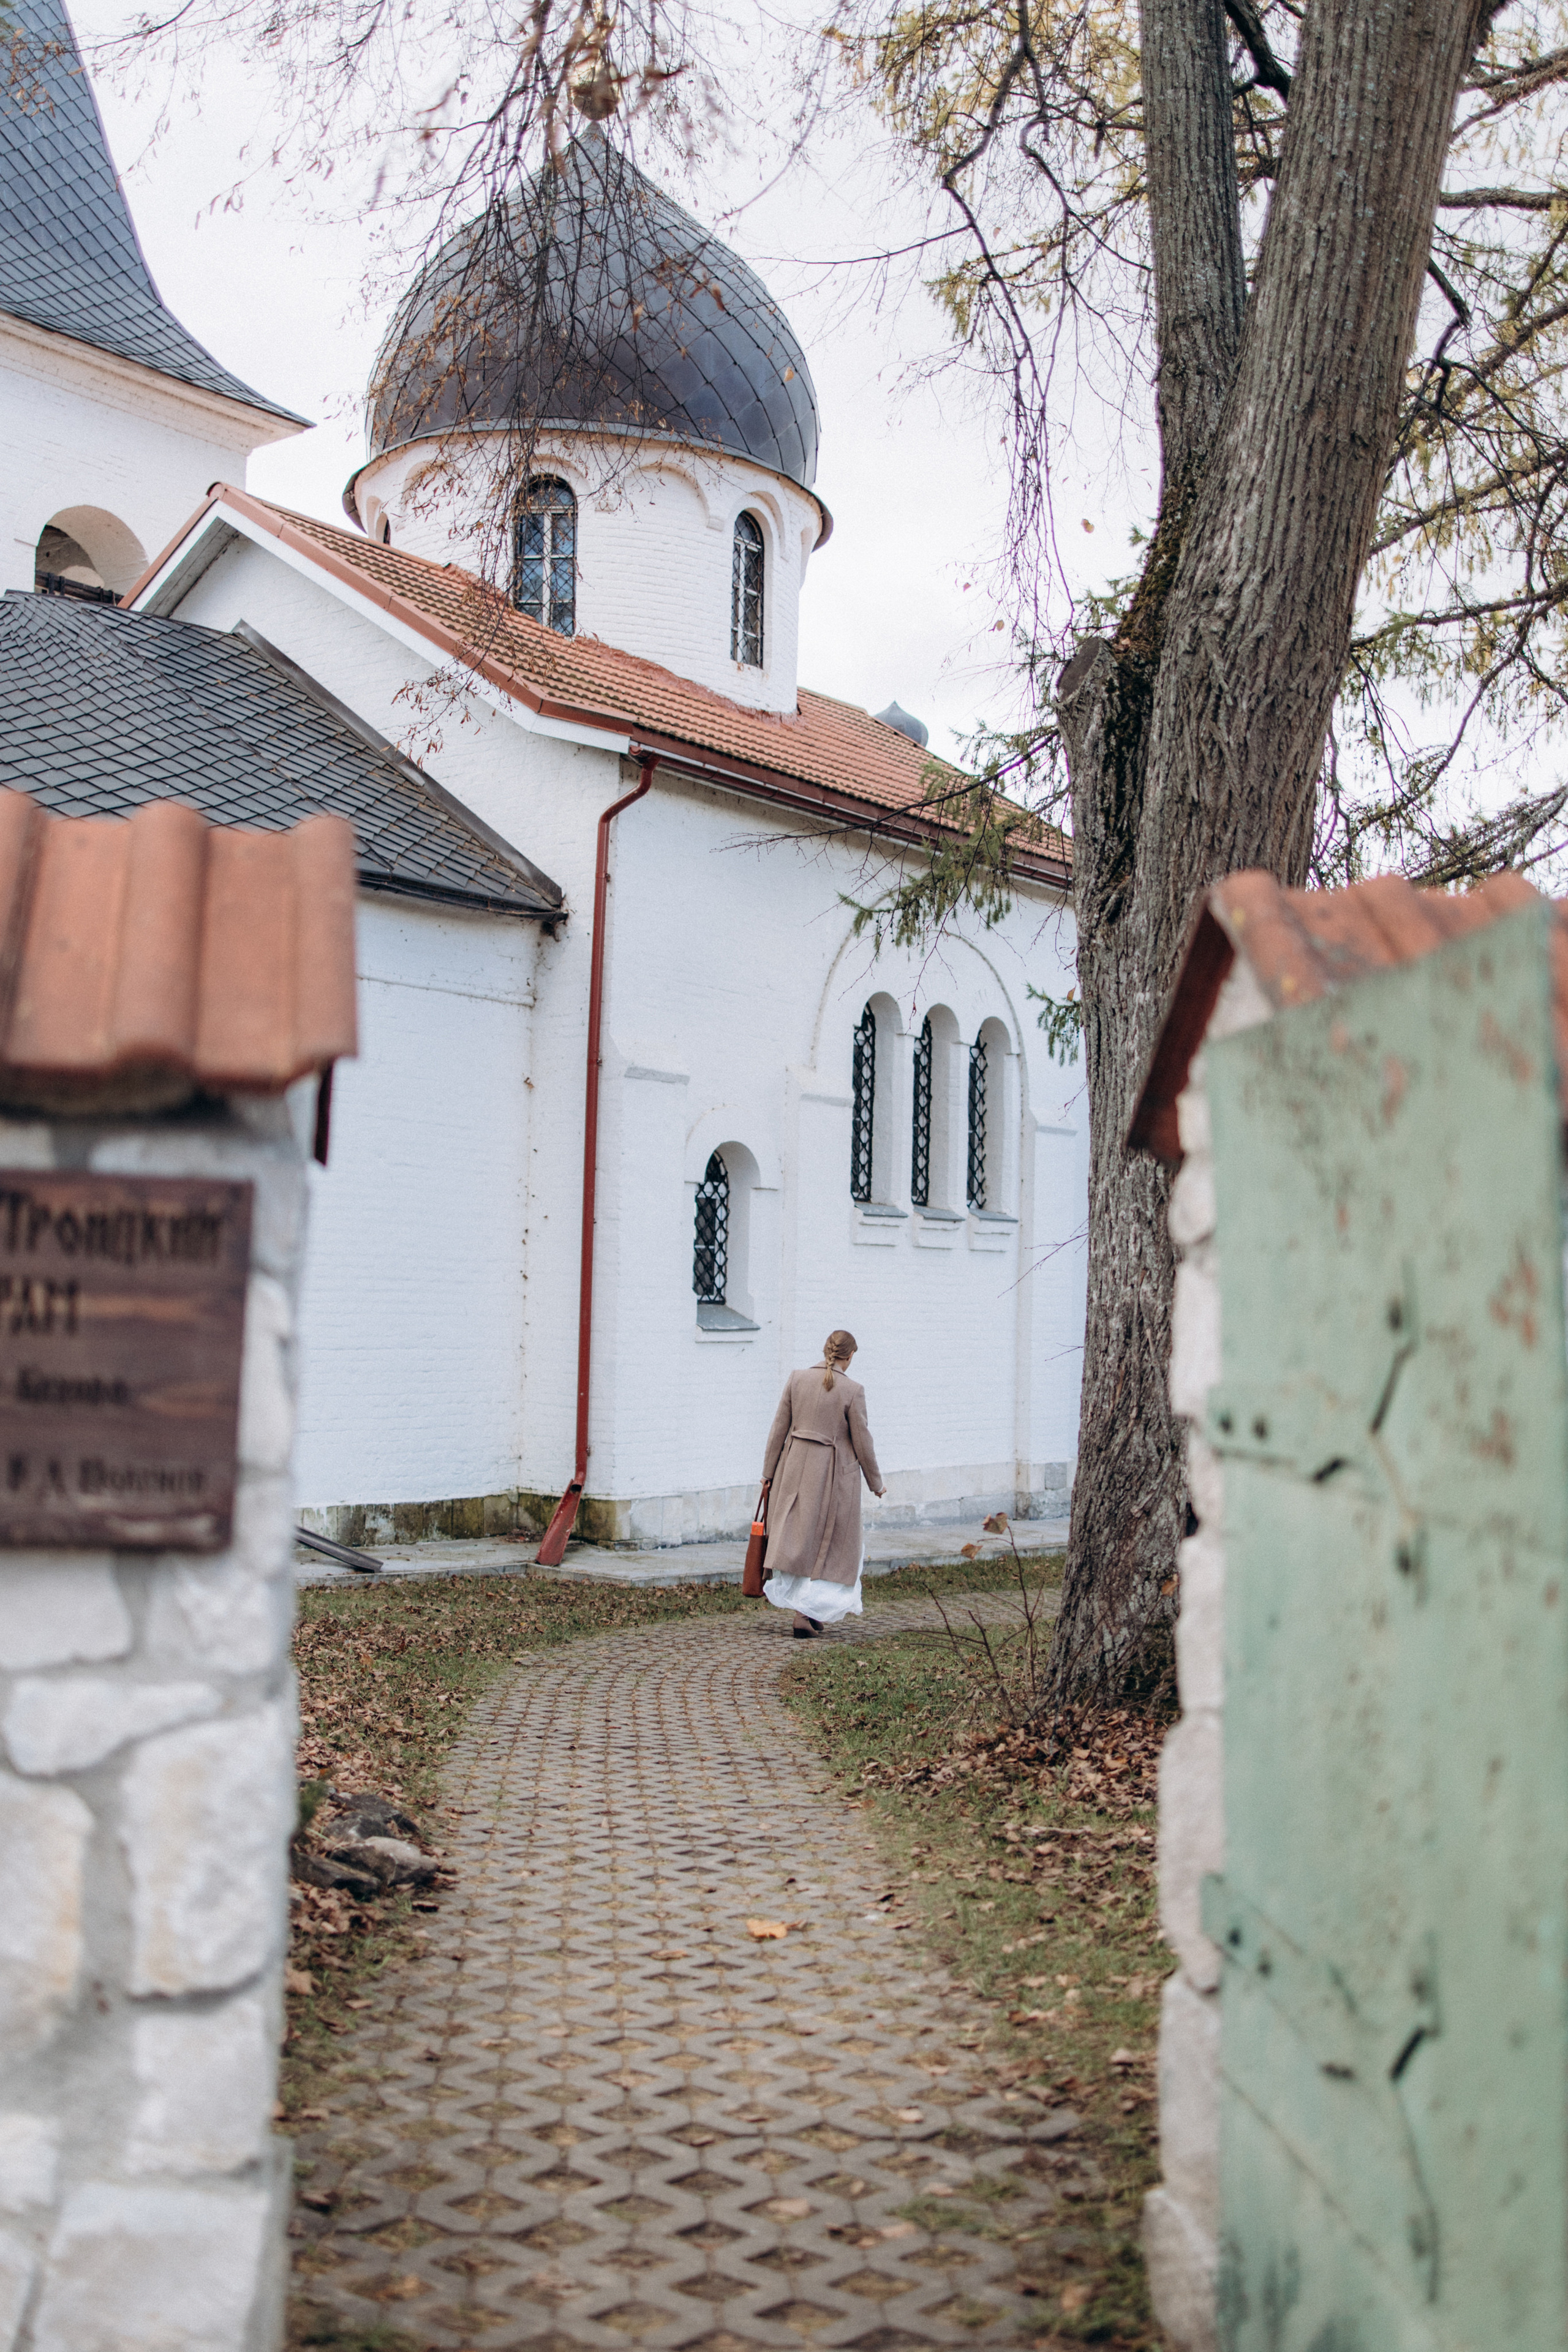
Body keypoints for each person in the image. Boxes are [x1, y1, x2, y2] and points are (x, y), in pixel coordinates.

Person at [759, 1329, 884, 1637]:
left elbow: (778, 1429)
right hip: (831, 1476)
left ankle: (808, 1612)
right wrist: (876, 1482)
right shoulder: (852, 1390)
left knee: (798, 1540)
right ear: (851, 1356)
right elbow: (863, 1441)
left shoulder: (797, 1378)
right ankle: (805, 1613)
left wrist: (768, 1473)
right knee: (826, 1546)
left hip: (793, 1470)